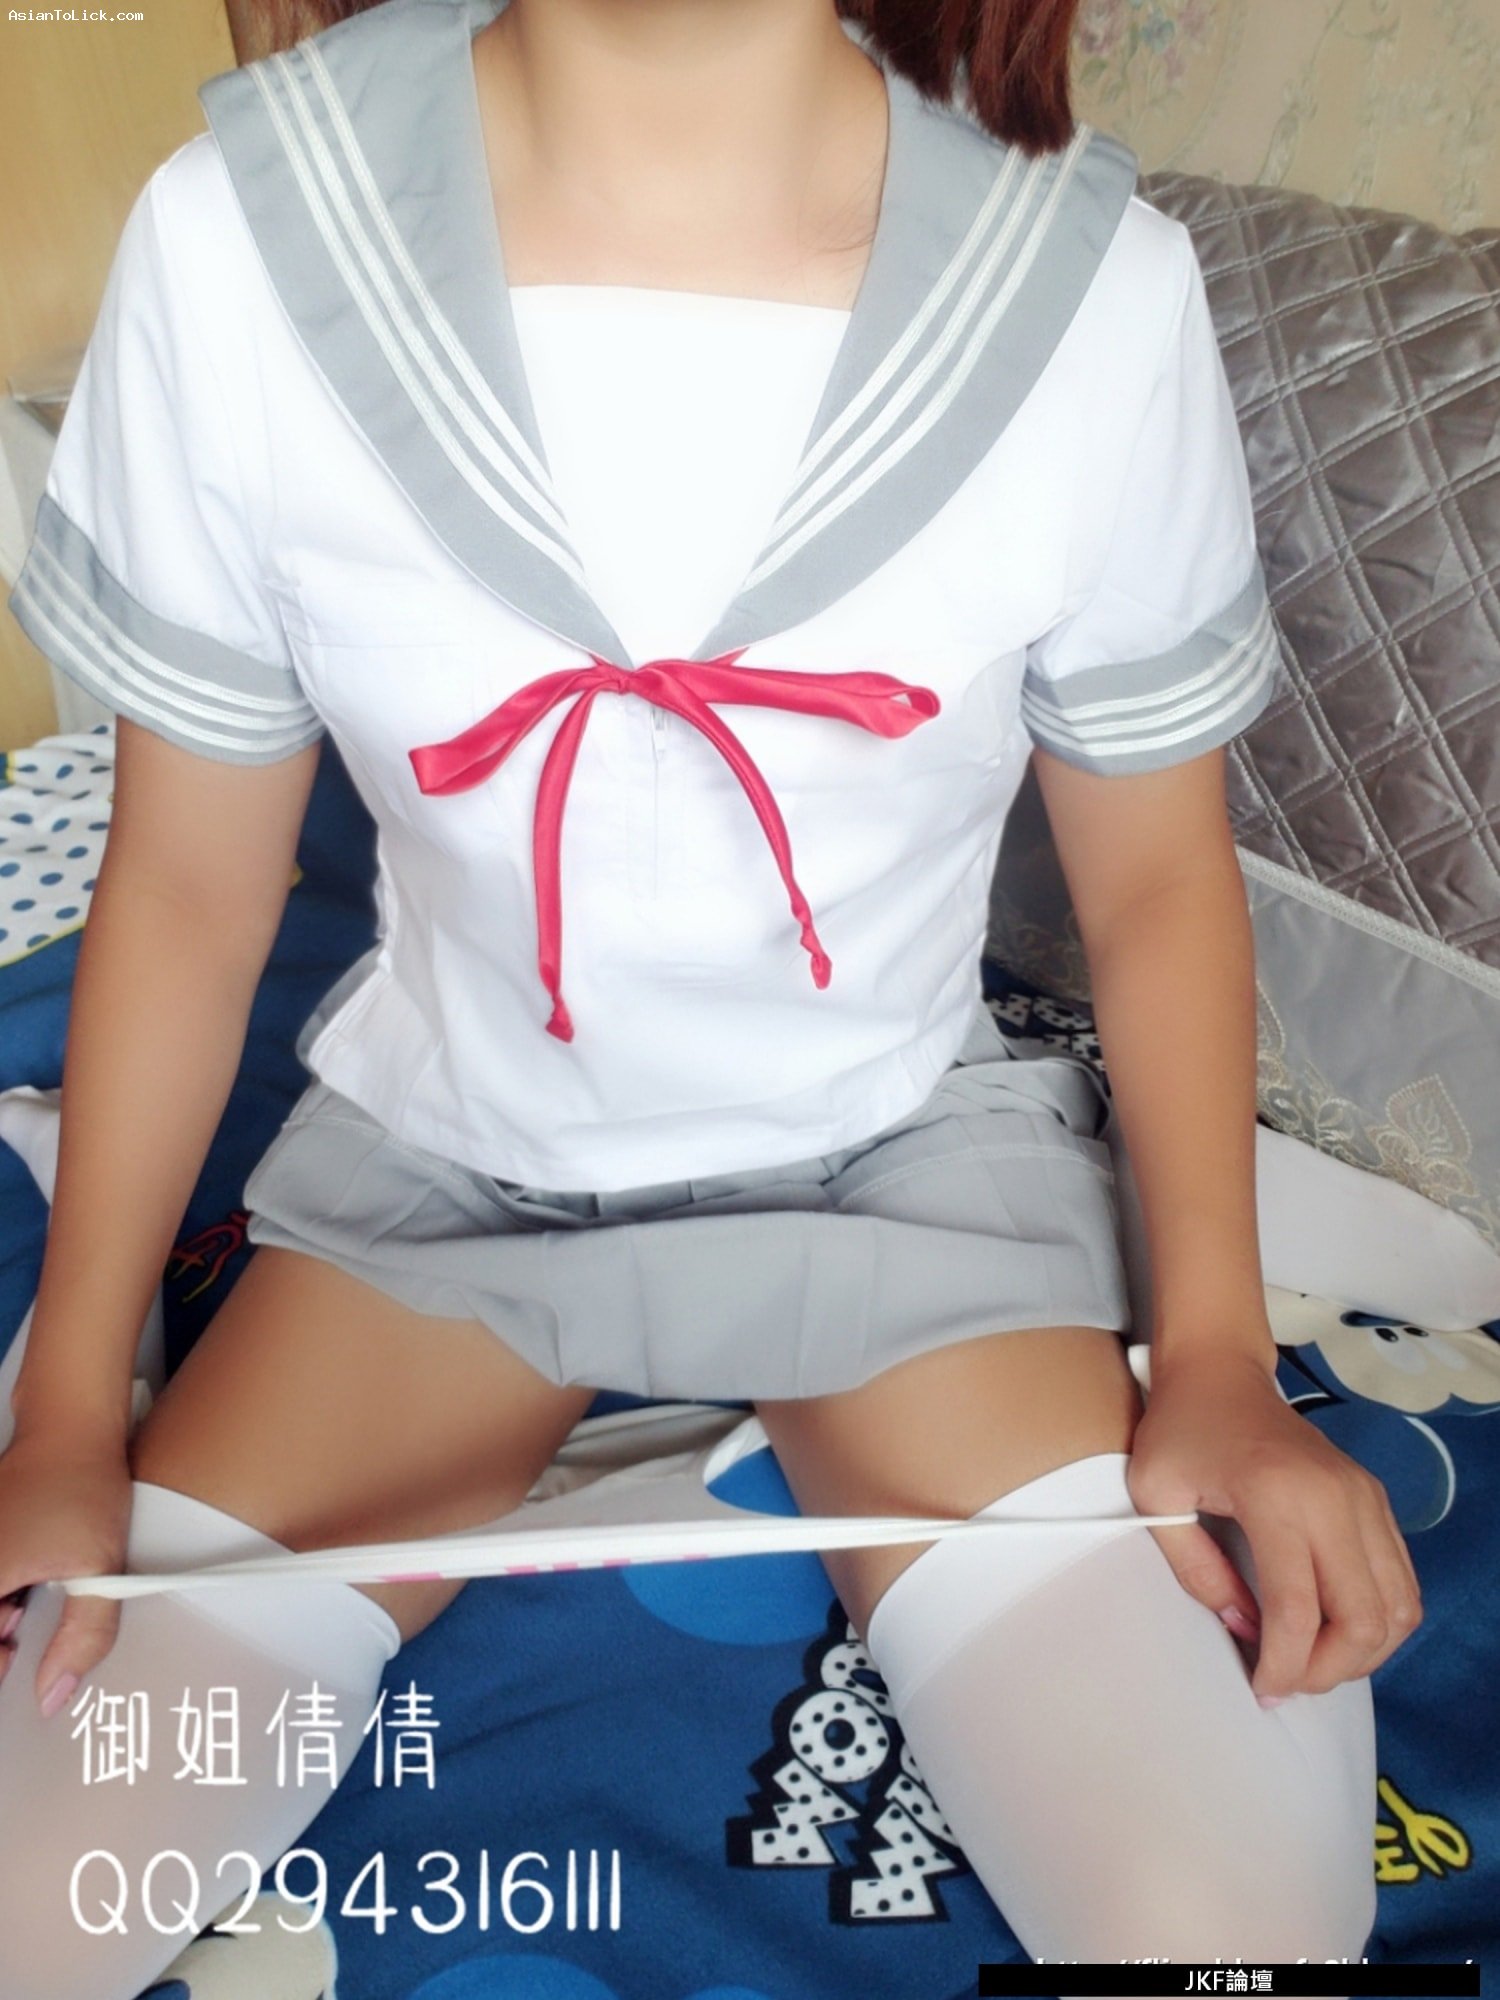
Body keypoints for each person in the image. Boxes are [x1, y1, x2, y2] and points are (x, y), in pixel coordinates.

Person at [0, 0, 1417, 1992]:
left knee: (1236, 1932)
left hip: (895, 1171)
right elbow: (186, 883)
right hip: (448, 1181)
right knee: (23, 1901)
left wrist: (1216, 1360)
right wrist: (71, 1405)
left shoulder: (1098, 294)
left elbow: (1159, 880)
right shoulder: (237, 237)